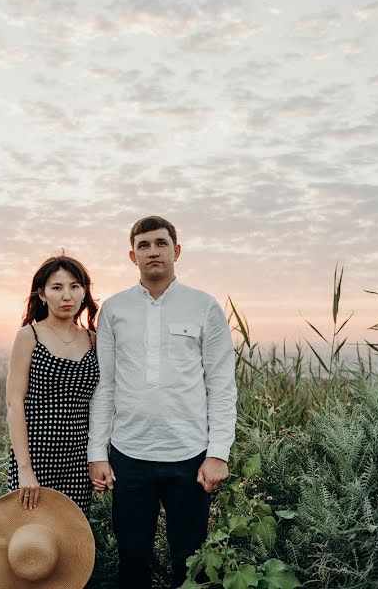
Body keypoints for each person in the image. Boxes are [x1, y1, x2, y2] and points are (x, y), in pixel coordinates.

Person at [88, 215, 238, 589]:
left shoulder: (204, 306)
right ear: (131, 255)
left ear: (177, 250)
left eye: (160, 243)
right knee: (132, 561)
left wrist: (218, 452)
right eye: (143, 245)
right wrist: (97, 452)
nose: (152, 251)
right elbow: (104, 385)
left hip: (189, 457)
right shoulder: (114, 310)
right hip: (129, 456)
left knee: (190, 565)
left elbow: (222, 384)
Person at [6, 255, 100, 515]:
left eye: (74, 287)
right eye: (57, 288)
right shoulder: (29, 336)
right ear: (43, 294)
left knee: (69, 541)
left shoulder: (94, 341)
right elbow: (14, 404)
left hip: (78, 460)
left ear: (84, 292)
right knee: (32, 539)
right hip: (36, 456)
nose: (66, 296)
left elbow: (103, 403)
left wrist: (99, 457)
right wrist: (25, 469)